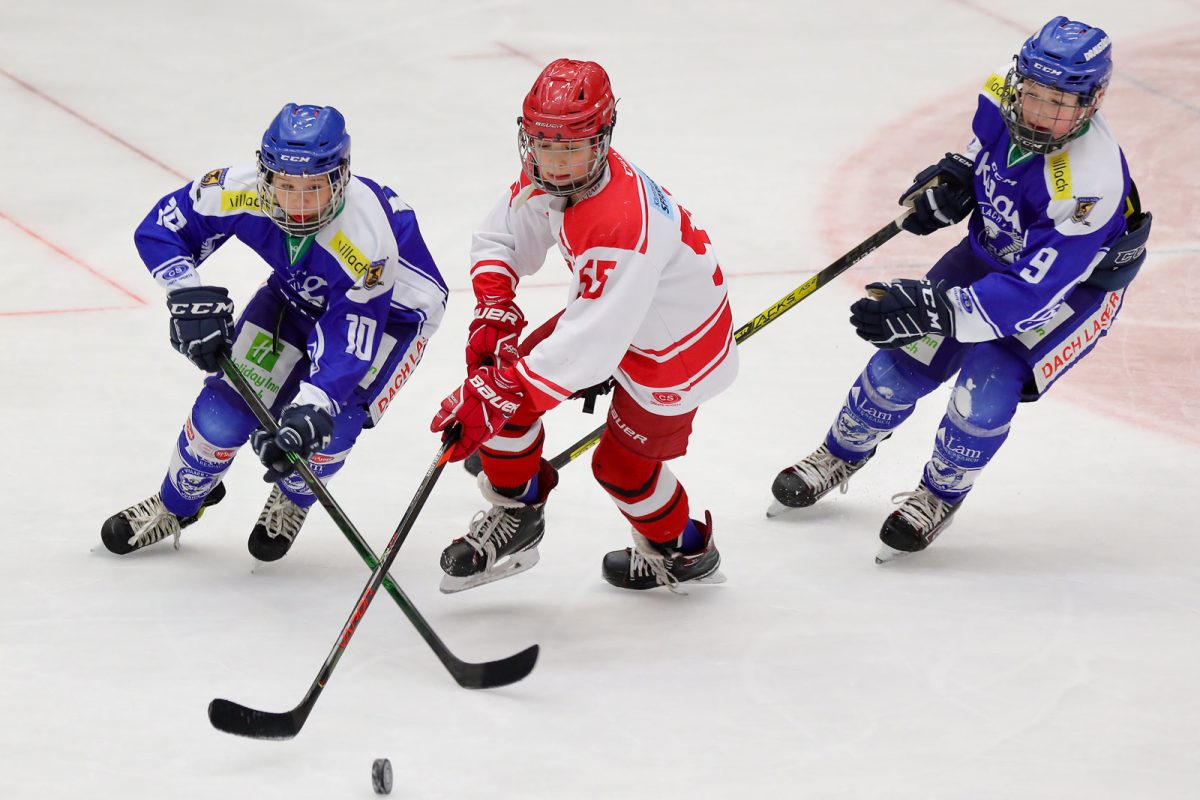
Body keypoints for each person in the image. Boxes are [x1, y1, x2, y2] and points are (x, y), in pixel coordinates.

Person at [767, 17, 1151, 562]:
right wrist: (955, 178)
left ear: (1094, 101)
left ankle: (938, 493)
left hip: (1070, 293)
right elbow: (979, 148)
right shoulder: (1000, 88)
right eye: (1034, 94)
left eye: (1060, 103)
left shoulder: (1089, 184)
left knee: (985, 385)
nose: (1040, 113)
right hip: (990, 254)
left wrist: (935, 308)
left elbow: (1028, 295)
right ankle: (839, 454)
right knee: (900, 365)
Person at [429, 58, 738, 593]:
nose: (554, 162)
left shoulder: (621, 222)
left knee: (619, 469)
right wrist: (495, 308)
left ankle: (683, 548)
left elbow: (588, 350)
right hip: (621, 315)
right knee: (502, 383)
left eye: (570, 148)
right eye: (543, 145)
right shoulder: (564, 175)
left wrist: (502, 394)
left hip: (675, 354)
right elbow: (501, 237)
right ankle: (518, 508)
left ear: (602, 138)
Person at [101, 103, 447, 561]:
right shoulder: (237, 188)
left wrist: (312, 408)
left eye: (314, 189)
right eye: (285, 186)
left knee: (331, 429)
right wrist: (186, 295)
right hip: (296, 294)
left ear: (341, 177)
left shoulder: (368, 240)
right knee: (222, 414)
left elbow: (351, 337)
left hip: (392, 317)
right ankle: (178, 504)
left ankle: (293, 494)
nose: (299, 203)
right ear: (265, 176)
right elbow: (162, 227)